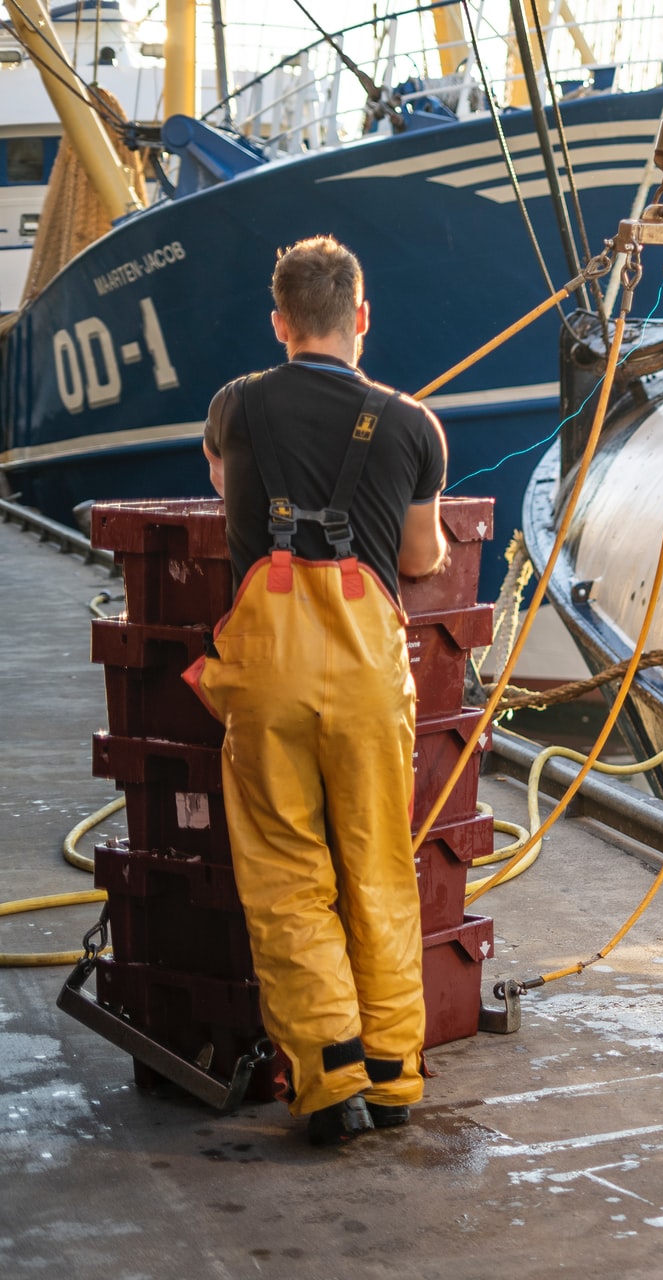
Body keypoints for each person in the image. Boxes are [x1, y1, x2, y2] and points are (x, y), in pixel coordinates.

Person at [186, 235, 449, 1145]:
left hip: (266, 673)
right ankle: (391, 1073)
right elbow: (420, 559)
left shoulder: (236, 406)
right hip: (368, 678)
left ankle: (330, 1079)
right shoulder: (412, 424)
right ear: (361, 319)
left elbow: (225, 490)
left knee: (287, 874)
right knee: (376, 865)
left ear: (280, 323)